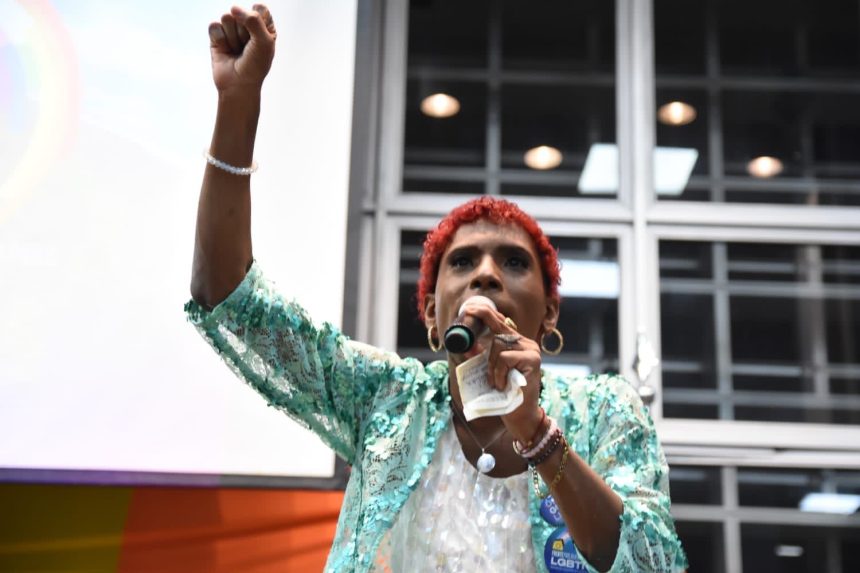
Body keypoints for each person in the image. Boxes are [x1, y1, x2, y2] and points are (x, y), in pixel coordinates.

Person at [187, 5, 688, 572]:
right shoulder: (387, 400)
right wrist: (239, 102)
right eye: (464, 261)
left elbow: (653, 562)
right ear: (431, 314)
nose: (486, 274)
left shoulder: (604, 411)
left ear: (549, 313)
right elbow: (229, 299)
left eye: (514, 262)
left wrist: (537, 433)